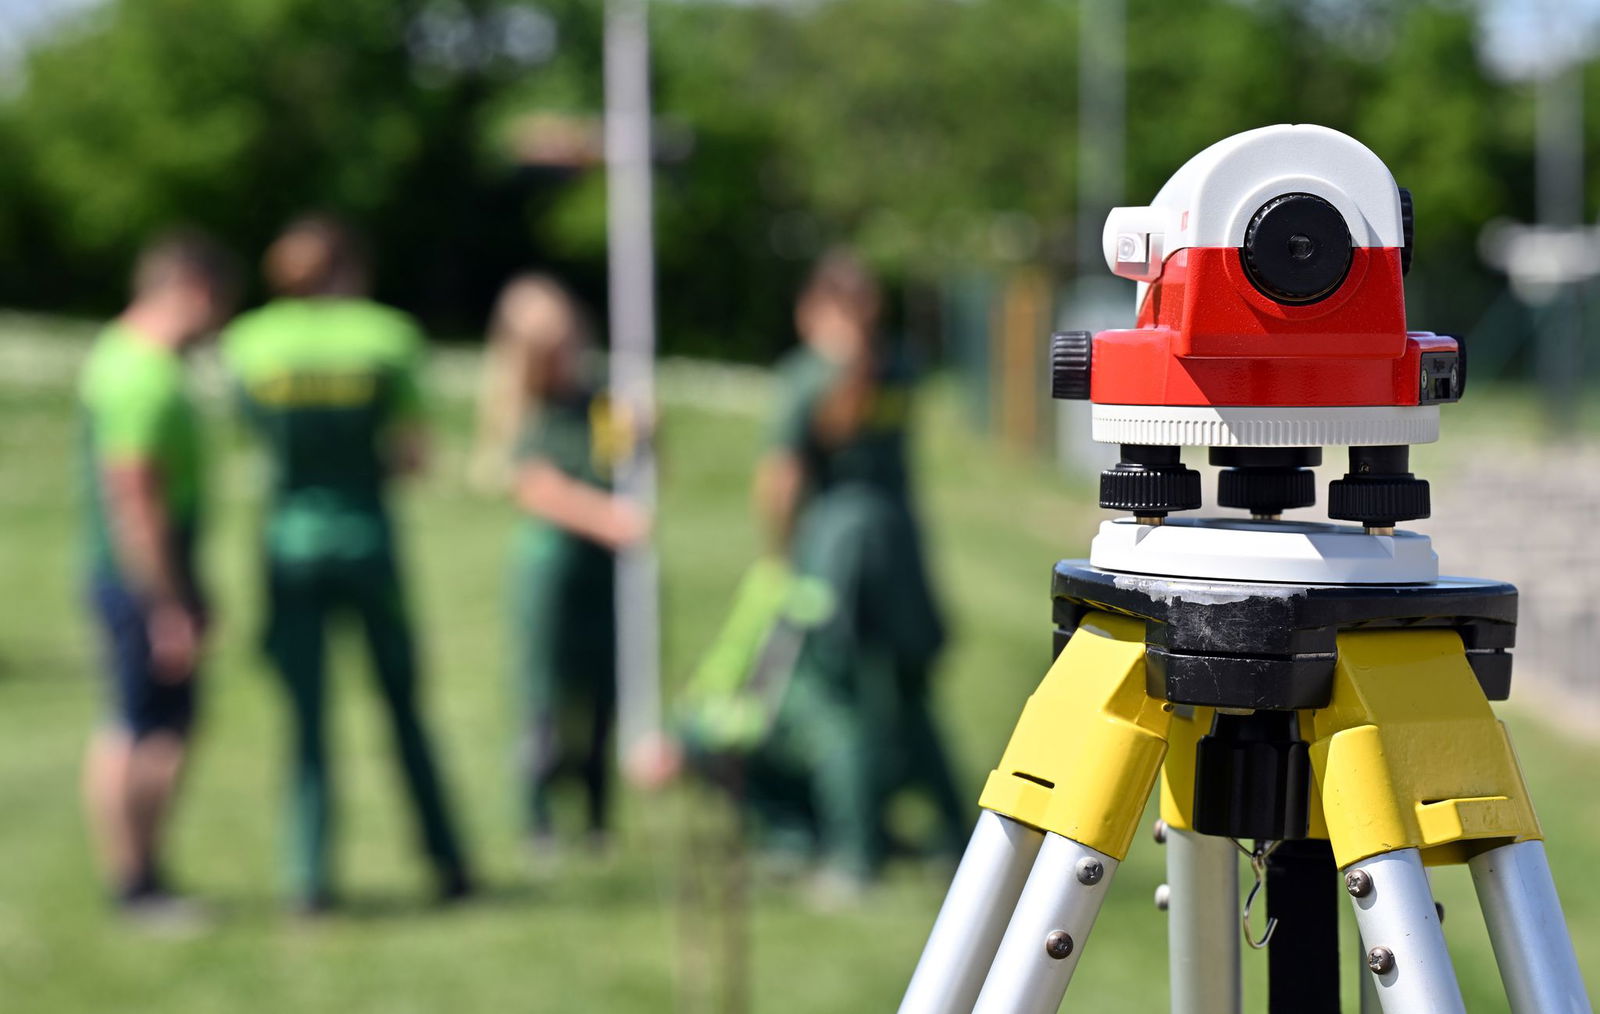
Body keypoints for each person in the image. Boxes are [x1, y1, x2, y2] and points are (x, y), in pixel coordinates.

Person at [221, 215, 471, 912]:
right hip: (367, 540)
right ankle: (448, 862)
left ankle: (308, 880)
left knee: (306, 720)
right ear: (353, 268)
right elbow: (415, 453)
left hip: (289, 543)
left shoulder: (251, 343)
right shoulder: (386, 339)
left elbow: (255, 439)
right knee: (403, 706)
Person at [750, 249, 966, 887]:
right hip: (898, 544)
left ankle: (853, 857)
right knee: (912, 697)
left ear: (813, 308)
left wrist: (780, 558)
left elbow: (781, 480)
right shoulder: (900, 366)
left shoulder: (806, 378)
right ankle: (957, 837)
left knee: (837, 700)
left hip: (836, 551)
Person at [79, 229, 237, 920]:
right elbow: (133, 498)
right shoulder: (143, 372)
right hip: (142, 577)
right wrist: (167, 602)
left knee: (150, 722)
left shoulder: (123, 356)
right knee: (142, 728)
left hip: (145, 573)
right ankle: (135, 886)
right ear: (193, 290)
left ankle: (143, 876)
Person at [471, 274, 648, 853]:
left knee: (603, 694)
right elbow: (536, 487)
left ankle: (597, 815)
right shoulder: (531, 412)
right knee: (544, 697)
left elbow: (627, 463)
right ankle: (538, 818)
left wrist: (644, 430)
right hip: (553, 567)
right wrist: (607, 519)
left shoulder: (601, 400)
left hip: (604, 570)